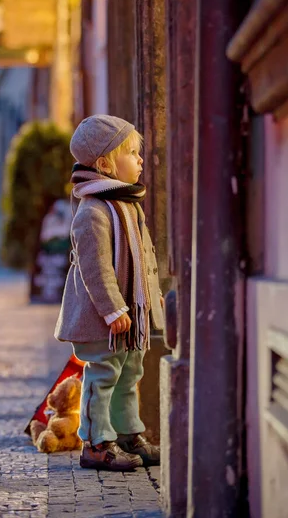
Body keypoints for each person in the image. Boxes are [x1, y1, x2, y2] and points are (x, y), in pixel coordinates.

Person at [54, 114, 165, 471]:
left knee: (130, 374)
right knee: (103, 376)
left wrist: (152, 300)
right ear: (105, 164)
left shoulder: (129, 206)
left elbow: (145, 260)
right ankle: (97, 442)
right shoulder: (93, 212)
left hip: (132, 316)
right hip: (103, 316)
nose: (140, 160)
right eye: (132, 153)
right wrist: (114, 309)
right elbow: (95, 269)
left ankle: (128, 432)